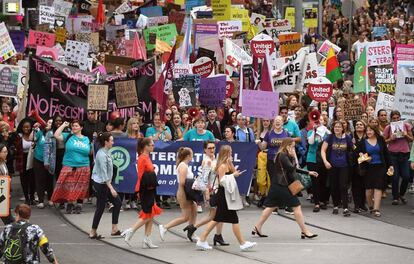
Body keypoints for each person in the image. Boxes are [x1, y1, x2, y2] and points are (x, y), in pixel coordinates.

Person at [253, 138, 318, 238]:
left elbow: (292, 169)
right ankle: (304, 231)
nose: (293, 148)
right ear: (287, 146)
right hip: (282, 186)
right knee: (296, 206)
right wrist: (293, 157)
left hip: (276, 185)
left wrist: (308, 172)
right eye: (292, 146)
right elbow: (291, 168)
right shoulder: (282, 155)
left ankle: (257, 227)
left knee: (270, 207)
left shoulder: (283, 155)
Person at [196, 145, 257, 251]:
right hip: (223, 195)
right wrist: (233, 175)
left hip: (226, 195)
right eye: (230, 152)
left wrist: (232, 166)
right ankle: (242, 243)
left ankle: (202, 239)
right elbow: (222, 180)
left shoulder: (227, 164)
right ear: (226, 153)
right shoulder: (222, 166)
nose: (232, 154)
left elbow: (234, 172)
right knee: (233, 219)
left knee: (217, 219)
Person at [122, 138, 162, 248]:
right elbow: (140, 175)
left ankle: (147, 239)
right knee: (148, 213)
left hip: (149, 188)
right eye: (152, 145)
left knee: (150, 213)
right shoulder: (142, 158)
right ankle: (131, 231)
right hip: (145, 189)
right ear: (146, 146)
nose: (153, 146)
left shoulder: (146, 157)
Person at [191, 142, 229, 246]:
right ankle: (196, 230)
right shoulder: (207, 161)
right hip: (212, 190)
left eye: (213, 148)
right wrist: (207, 193)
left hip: (217, 188)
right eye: (209, 148)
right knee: (215, 215)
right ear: (205, 150)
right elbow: (204, 179)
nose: (212, 150)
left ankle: (217, 235)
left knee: (215, 215)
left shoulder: (214, 159)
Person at [51, 120, 92, 214]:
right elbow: (56, 135)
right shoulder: (68, 136)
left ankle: (79, 204)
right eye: (73, 126)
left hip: (84, 166)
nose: (74, 127)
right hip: (69, 165)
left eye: (76, 126)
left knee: (81, 186)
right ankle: (69, 203)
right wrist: (63, 125)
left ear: (81, 128)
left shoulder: (87, 139)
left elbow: (90, 152)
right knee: (68, 185)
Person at [158, 147, 198, 242]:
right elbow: (182, 182)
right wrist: (195, 182)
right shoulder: (183, 166)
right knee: (185, 217)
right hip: (183, 192)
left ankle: (191, 232)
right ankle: (164, 227)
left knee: (194, 209)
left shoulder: (184, 165)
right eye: (192, 154)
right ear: (188, 156)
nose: (193, 156)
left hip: (186, 192)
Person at [90, 132, 122, 239]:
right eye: (111, 140)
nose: (113, 142)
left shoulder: (105, 152)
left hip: (103, 183)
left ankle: (114, 228)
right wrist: (111, 187)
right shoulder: (101, 155)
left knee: (116, 202)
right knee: (101, 206)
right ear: (106, 142)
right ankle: (93, 231)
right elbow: (104, 173)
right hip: (101, 183)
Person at [356, 125, 391, 217]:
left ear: (375, 131)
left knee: (378, 187)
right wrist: (365, 158)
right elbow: (357, 157)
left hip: (380, 167)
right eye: (367, 131)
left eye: (370, 130)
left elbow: (386, 154)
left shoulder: (381, 140)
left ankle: (376, 209)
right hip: (368, 168)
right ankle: (371, 206)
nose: (368, 132)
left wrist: (390, 165)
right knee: (369, 190)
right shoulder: (362, 142)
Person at [321, 121, 353, 216]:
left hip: (344, 166)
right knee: (334, 186)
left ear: (343, 128)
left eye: (339, 127)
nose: (337, 128)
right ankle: (335, 206)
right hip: (332, 166)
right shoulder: (330, 137)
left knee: (343, 186)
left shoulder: (347, 138)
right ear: (333, 128)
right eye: (335, 127)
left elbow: (353, 148)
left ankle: (345, 208)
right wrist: (325, 161)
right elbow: (323, 150)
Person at [383, 110, 413, 205]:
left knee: (406, 176)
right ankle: (395, 197)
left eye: (397, 117)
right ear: (391, 119)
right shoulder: (388, 128)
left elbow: (412, 139)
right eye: (394, 118)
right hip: (393, 155)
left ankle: (402, 194)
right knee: (395, 177)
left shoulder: (406, 126)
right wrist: (390, 139)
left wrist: (406, 135)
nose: (396, 119)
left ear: (400, 117)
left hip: (404, 154)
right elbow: (383, 141)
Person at [307, 117, 330, 212]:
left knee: (323, 181)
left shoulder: (327, 132)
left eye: (321, 120)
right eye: (317, 120)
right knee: (315, 181)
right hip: (312, 159)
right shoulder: (310, 132)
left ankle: (323, 200)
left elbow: (330, 139)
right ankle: (316, 203)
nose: (318, 122)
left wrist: (324, 129)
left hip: (323, 159)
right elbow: (311, 142)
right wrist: (314, 130)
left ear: (324, 122)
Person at [33, 119, 54, 209]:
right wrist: (35, 129)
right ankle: (41, 200)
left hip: (50, 161)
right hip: (39, 160)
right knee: (40, 180)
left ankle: (50, 199)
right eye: (47, 122)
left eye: (50, 123)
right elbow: (32, 139)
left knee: (50, 180)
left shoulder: (54, 134)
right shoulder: (40, 133)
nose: (48, 124)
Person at [14, 118, 36, 205]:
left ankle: (32, 197)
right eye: (24, 127)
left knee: (32, 179)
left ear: (31, 127)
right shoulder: (18, 136)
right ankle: (27, 198)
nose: (26, 129)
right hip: (22, 159)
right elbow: (15, 148)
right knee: (24, 180)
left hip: (32, 159)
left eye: (28, 127)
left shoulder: (34, 135)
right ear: (22, 128)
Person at [351, 120, 368, 213]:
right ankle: (356, 205)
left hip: (365, 164)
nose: (358, 126)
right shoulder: (351, 137)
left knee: (363, 185)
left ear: (364, 127)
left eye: (361, 124)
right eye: (357, 125)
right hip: (354, 165)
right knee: (355, 185)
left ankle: (362, 204)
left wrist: (363, 157)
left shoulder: (367, 138)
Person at [0, 144, 14, 225]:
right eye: (4, 152)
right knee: (9, 221)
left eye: (7, 151)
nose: (6, 153)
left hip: (3, 197)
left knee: (9, 220)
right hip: (1, 197)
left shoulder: (3, 163)